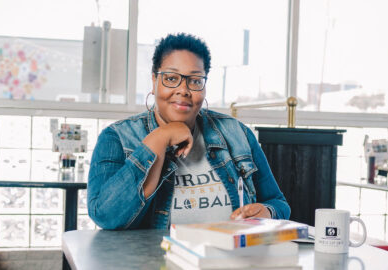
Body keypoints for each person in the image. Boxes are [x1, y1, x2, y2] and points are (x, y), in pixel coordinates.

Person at [88, 33, 290, 230]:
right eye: (171, 78)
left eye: (194, 80)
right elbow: (106, 217)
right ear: (154, 80)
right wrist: (159, 138)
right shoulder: (117, 138)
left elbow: (278, 203)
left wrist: (267, 212)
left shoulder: (237, 133)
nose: (183, 90)